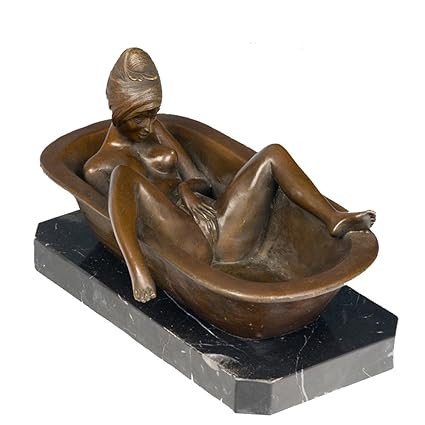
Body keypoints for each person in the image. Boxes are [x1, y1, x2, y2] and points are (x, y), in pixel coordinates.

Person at [83, 48, 375, 303]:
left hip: (220, 227)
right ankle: (136, 269)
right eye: (139, 116)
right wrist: (141, 267)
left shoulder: (157, 129)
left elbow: (200, 180)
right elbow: (124, 220)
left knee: (272, 154)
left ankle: (332, 218)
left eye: (153, 112)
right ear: (118, 109)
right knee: (123, 175)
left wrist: (187, 190)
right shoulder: (99, 168)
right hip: (186, 243)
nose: (148, 125)